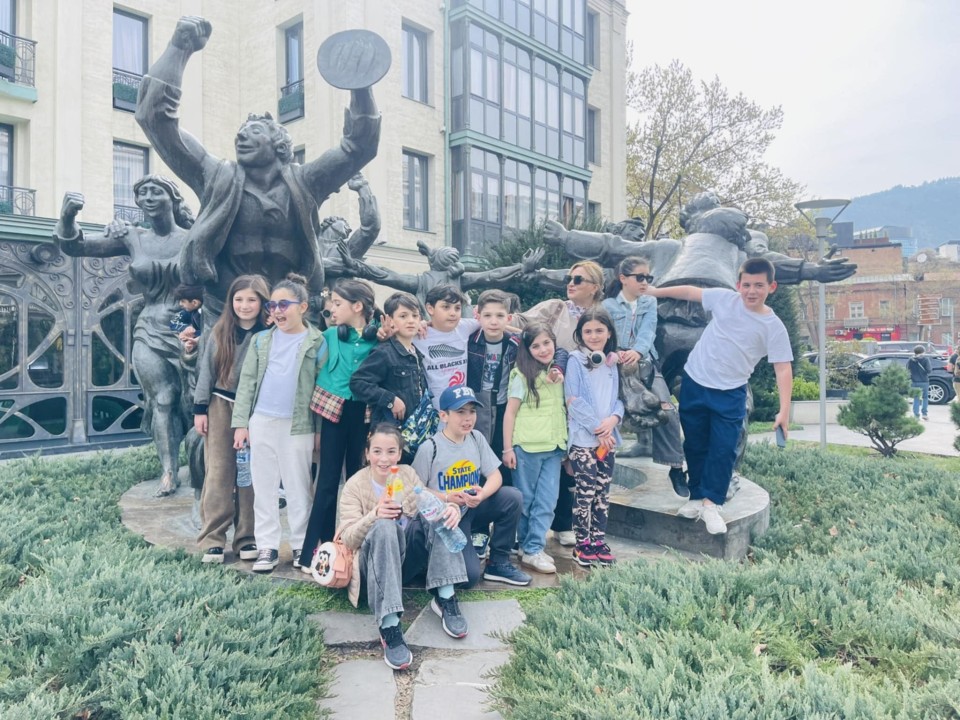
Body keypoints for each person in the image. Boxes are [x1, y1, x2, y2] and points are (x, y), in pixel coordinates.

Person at [136, 16, 382, 323]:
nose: (241, 137)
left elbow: (358, 147)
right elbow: (155, 119)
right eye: (240, 133)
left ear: (279, 144)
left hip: (289, 313)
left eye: (253, 132)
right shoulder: (216, 175)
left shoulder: (305, 181)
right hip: (226, 309)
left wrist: (360, 84)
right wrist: (178, 48)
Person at [52, 177, 196, 497]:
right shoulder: (132, 237)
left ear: (173, 198)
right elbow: (76, 247)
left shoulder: (193, 237)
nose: (148, 197)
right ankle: (168, 471)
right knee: (163, 399)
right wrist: (67, 216)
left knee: (193, 401)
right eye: (142, 193)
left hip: (187, 329)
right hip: (149, 328)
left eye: (156, 191)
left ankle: (202, 466)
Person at [642, 258, 793, 535]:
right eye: (747, 285)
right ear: (738, 285)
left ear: (771, 287)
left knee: (723, 448)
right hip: (695, 382)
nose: (751, 291)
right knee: (695, 444)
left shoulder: (773, 326)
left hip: (731, 392)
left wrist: (784, 411)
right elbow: (690, 292)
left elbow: (783, 368)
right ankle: (697, 497)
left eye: (759, 285)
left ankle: (712, 504)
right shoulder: (725, 299)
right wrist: (655, 292)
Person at [337, 424, 468, 669]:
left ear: (399, 454)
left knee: (436, 514)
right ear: (367, 453)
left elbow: (427, 503)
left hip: (405, 560)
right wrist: (375, 515)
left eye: (390, 452)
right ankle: (389, 625)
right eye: (377, 451)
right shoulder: (355, 485)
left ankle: (445, 597)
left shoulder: (407, 474)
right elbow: (348, 539)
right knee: (385, 527)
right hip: (372, 569)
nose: (384, 459)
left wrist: (450, 509)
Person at [232, 273, 327, 573]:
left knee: (299, 487)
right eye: (272, 305)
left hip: (298, 426)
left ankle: (301, 545)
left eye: (284, 305)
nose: (277, 311)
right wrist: (241, 424)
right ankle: (267, 547)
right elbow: (247, 383)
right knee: (264, 487)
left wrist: (319, 430)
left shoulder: (318, 342)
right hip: (262, 421)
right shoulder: (261, 340)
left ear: (303, 307)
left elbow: (322, 388)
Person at [517, 260, 606, 547]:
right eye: (569, 278)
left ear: (595, 287)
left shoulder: (601, 316)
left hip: (587, 393)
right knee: (556, 454)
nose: (570, 283)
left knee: (574, 453)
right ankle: (531, 531)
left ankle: (563, 523)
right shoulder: (556, 307)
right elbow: (520, 323)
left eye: (578, 279)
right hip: (551, 386)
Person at [412, 385, 531, 587]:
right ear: (444, 416)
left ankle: (498, 563)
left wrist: (482, 495)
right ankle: (428, 563)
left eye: (472, 411)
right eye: (460, 412)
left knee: (512, 497)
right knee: (468, 577)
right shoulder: (430, 447)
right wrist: (446, 498)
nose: (468, 418)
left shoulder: (476, 438)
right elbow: (416, 490)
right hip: (447, 518)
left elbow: (495, 475)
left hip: (472, 508)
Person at [190, 274, 270, 564]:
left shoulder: (269, 334)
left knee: (250, 474)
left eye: (251, 299)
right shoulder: (220, 331)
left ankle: (247, 537)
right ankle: (213, 538)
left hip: (255, 409)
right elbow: (206, 372)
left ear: (262, 302)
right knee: (219, 472)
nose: (244, 305)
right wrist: (200, 409)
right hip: (220, 406)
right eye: (239, 299)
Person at [301, 279, 381, 564]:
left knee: (358, 479)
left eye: (338, 304)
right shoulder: (329, 336)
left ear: (357, 307)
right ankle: (314, 550)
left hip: (364, 413)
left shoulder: (379, 338)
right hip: (334, 409)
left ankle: (355, 548)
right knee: (327, 480)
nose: (332, 309)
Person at [602, 257, 688, 497]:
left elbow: (648, 331)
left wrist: (637, 351)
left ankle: (676, 467)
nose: (645, 282)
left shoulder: (649, 302)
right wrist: (617, 352)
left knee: (667, 410)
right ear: (623, 278)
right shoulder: (607, 306)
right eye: (640, 277)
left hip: (645, 365)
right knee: (606, 412)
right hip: (614, 366)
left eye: (648, 278)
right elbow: (603, 334)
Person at [501, 323, 567, 574]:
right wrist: (508, 449)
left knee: (547, 501)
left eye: (547, 343)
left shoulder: (558, 372)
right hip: (526, 447)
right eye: (536, 346)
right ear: (527, 350)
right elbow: (510, 412)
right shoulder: (521, 374)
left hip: (554, 447)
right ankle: (528, 547)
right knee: (526, 501)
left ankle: (532, 547)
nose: (543, 349)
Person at [564, 309, 623, 567]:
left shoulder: (611, 363)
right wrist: (599, 429)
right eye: (588, 331)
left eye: (599, 330)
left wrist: (613, 420)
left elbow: (618, 399)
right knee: (585, 492)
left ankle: (598, 540)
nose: (594, 336)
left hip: (607, 440)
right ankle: (582, 543)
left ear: (609, 333)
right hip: (584, 440)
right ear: (580, 334)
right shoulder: (575, 360)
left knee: (603, 493)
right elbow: (573, 400)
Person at [358, 240, 544, 311]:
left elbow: (388, 275)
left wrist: (358, 267)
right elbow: (491, 276)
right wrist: (520, 268)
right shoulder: (456, 279)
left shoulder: (423, 281)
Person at [350, 291, 429, 436]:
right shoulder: (384, 352)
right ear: (390, 320)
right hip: (390, 431)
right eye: (403, 316)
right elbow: (358, 382)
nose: (411, 321)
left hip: (414, 430)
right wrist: (390, 400)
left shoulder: (416, 353)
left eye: (415, 315)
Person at [466, 289, 520, 485]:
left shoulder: (514, 343)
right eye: (487, 315)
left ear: (509, 318)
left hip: (504, 405)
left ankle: (502, 495)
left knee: (501, 455)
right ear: (478, 315)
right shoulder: (470, 341)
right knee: (476, 454)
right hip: (477, 405)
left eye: (500, 316)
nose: (493, 322)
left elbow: (548, 342)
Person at [412, 284, 480, 410]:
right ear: (430, 308)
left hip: (461, 406)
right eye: (446, 307)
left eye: (457, 308)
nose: (453, 313)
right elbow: (391, 334)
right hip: (433, 409)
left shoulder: (464, 327)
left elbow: (493, 324)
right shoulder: (417, 334)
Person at [907, 345, 931, 420]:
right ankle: (924, 414)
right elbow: (929, 370)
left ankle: (916, 416)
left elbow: (907, 369)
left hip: (914, 381)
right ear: (923, 352)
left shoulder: (910, 360)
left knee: (916, 398)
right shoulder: (926, 359)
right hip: (924, 381)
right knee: (925, 398)